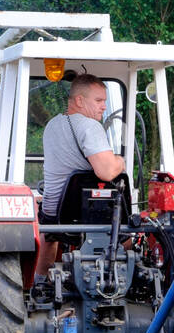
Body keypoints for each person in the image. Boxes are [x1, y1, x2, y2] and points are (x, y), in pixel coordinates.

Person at [35, 74, 125, 277]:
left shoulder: (51, 126)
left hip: (53, 213)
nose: (103, 106)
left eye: (105, 101)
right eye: (99, 101)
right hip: (81, 214)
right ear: (79, 101)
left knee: (48, 235)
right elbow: (106, 171)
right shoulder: (89, 126)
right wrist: (120, 161)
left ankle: (40, 283)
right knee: (128, 233)